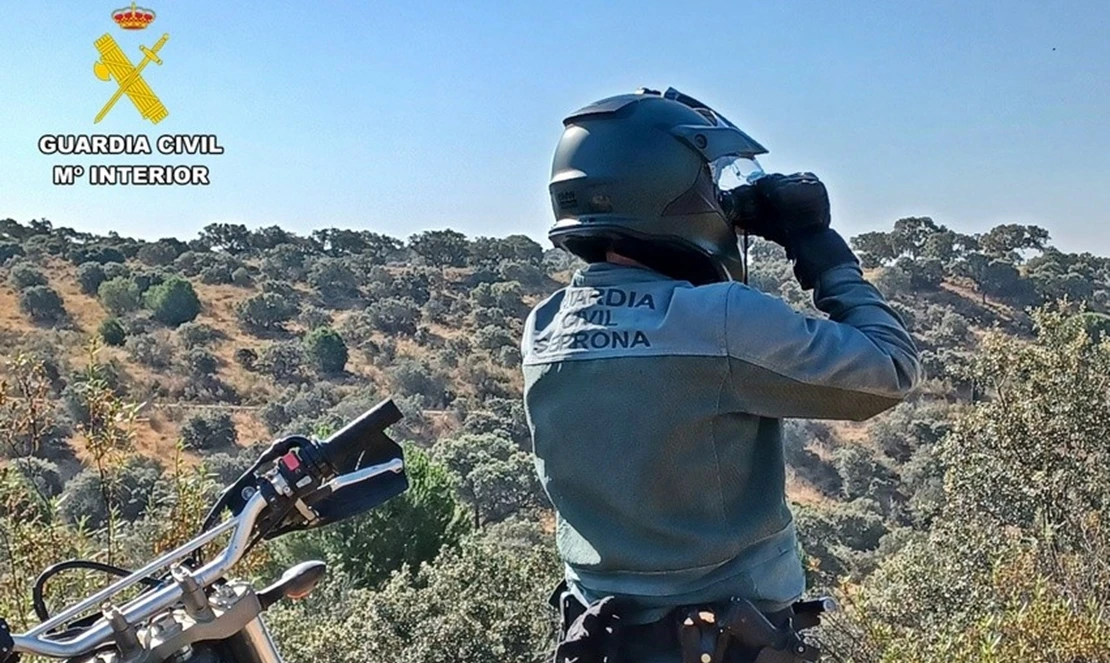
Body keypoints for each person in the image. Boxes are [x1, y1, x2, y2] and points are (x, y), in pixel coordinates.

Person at [520, 88, 922, 662]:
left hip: (600, 640)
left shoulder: (545, 326)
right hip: (726, 639)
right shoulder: (717, 319)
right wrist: (820, 249)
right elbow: (891, 367)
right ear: (672, 190)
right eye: (711, 184)